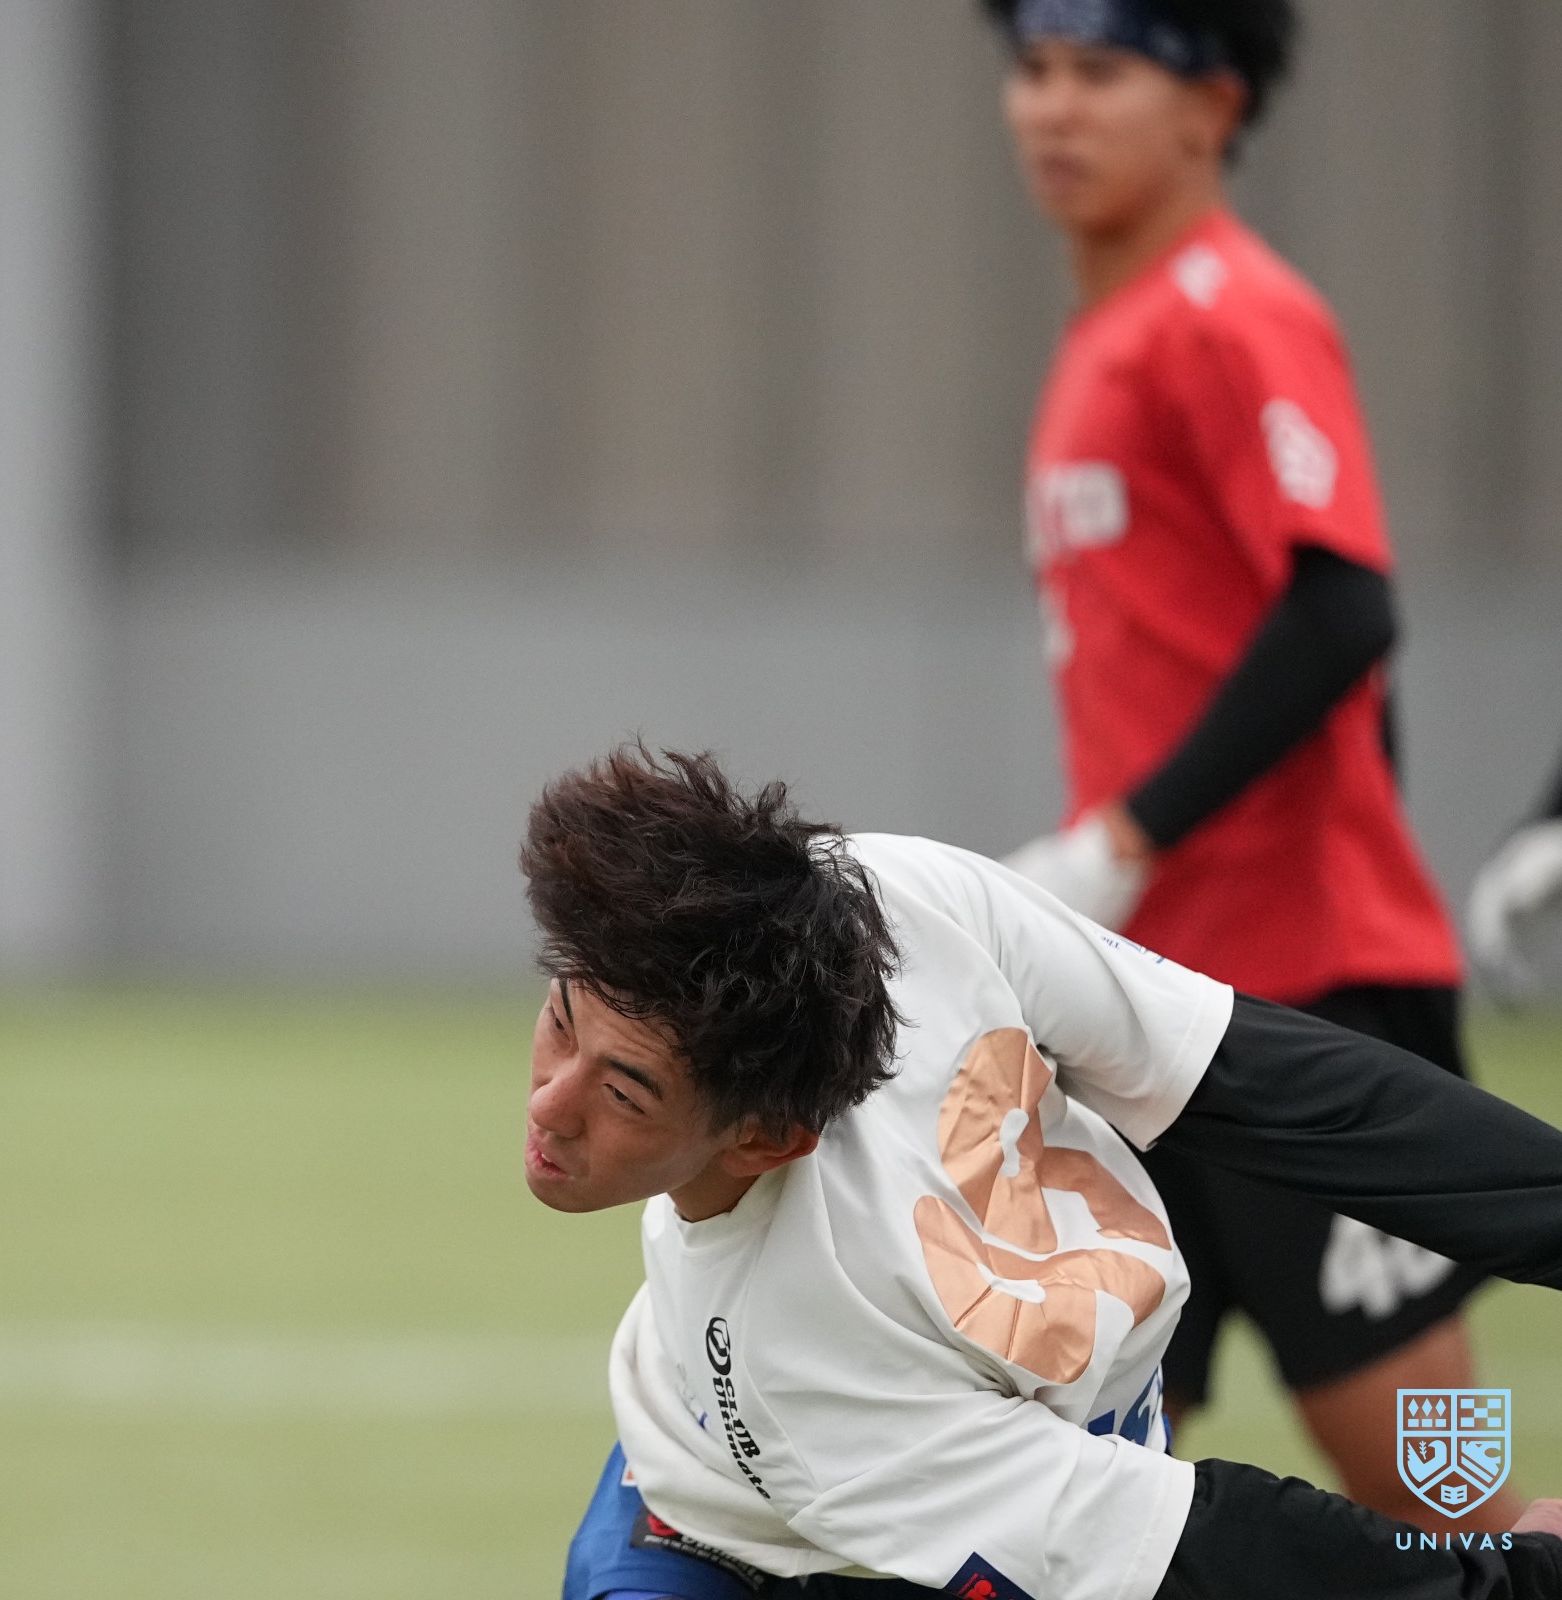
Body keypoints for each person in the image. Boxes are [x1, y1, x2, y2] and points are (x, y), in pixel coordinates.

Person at [528, 746, 1562, 1600]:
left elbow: (1253, 1078)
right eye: (561, 1020)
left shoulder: (897, 904)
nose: (545, 1104)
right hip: (753, 1561)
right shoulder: (804, 1364)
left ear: (764, 1136)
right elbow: (1177, 1549)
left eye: (620, 1091)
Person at [983, 0, 1503, 1522]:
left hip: (1305, 1009)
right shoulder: (1106, 337)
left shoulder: (1232, 312)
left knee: (1444, 1491)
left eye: (1100, 71)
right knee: (1082, 1491)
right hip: (1140, 1015)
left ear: (1211, 108)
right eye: (1033, 70)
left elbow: (1343, 608)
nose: (1052, 106)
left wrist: (1121, 838)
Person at [1468, 749, 1562, 1004]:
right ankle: (1508, 980)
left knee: (1516, 898)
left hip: (1542, 848)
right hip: (1535, 847)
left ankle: (1507, 977)